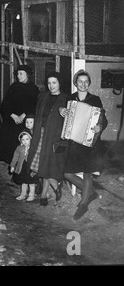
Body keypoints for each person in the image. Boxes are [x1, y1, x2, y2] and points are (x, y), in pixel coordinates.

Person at [61, 70, 107, 220]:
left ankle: (83, 204)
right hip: (74, 141)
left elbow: (102, 119)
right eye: (80, 81)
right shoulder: (70, 98)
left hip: (90, 142)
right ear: (76, 83)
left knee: (88, 173)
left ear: (89, 83)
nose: (83, 84)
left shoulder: (95, 100)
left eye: (86, 81)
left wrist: (100, 126)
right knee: (67, 173)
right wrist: (62, 111)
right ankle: (90, 193)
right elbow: (65, 116)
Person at [27, 72, 69, 206]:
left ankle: (44, 195)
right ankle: (55, 186)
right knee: (41, 164)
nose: (51, 86)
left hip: (54, 135)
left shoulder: (66, 99)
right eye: (49, 83)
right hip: (40, 133)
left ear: (60, 83)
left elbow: (68, 121)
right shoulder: (42, 96)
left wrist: (64, 112)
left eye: (54, 83)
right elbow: (38, 114)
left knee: (45, 165)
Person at [0, 65, 40, 163]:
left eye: (21, 74)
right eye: (17, 74)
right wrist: (13, 115)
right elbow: (5, 103)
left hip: (25, 120)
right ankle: (10, 162)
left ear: (27, 75)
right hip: (11, 119)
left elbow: (34, 105)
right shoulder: (14, 86)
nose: (18, 76)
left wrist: (23, 115)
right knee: (8, 140)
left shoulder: (33, 88)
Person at [10, 131, 38, 202]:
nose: (25, 141)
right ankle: (23, 194)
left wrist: (36, 169)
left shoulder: (34, 148)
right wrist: (12, 166)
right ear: (20, 140)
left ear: (30, 139)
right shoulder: (19, 148)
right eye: (23, 139)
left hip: (31, 167)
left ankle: (31, 195)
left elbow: (37, 157)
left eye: (27, 139)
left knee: (31, 182)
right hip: (22, 167)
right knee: (24, 182)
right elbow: (15, 157)